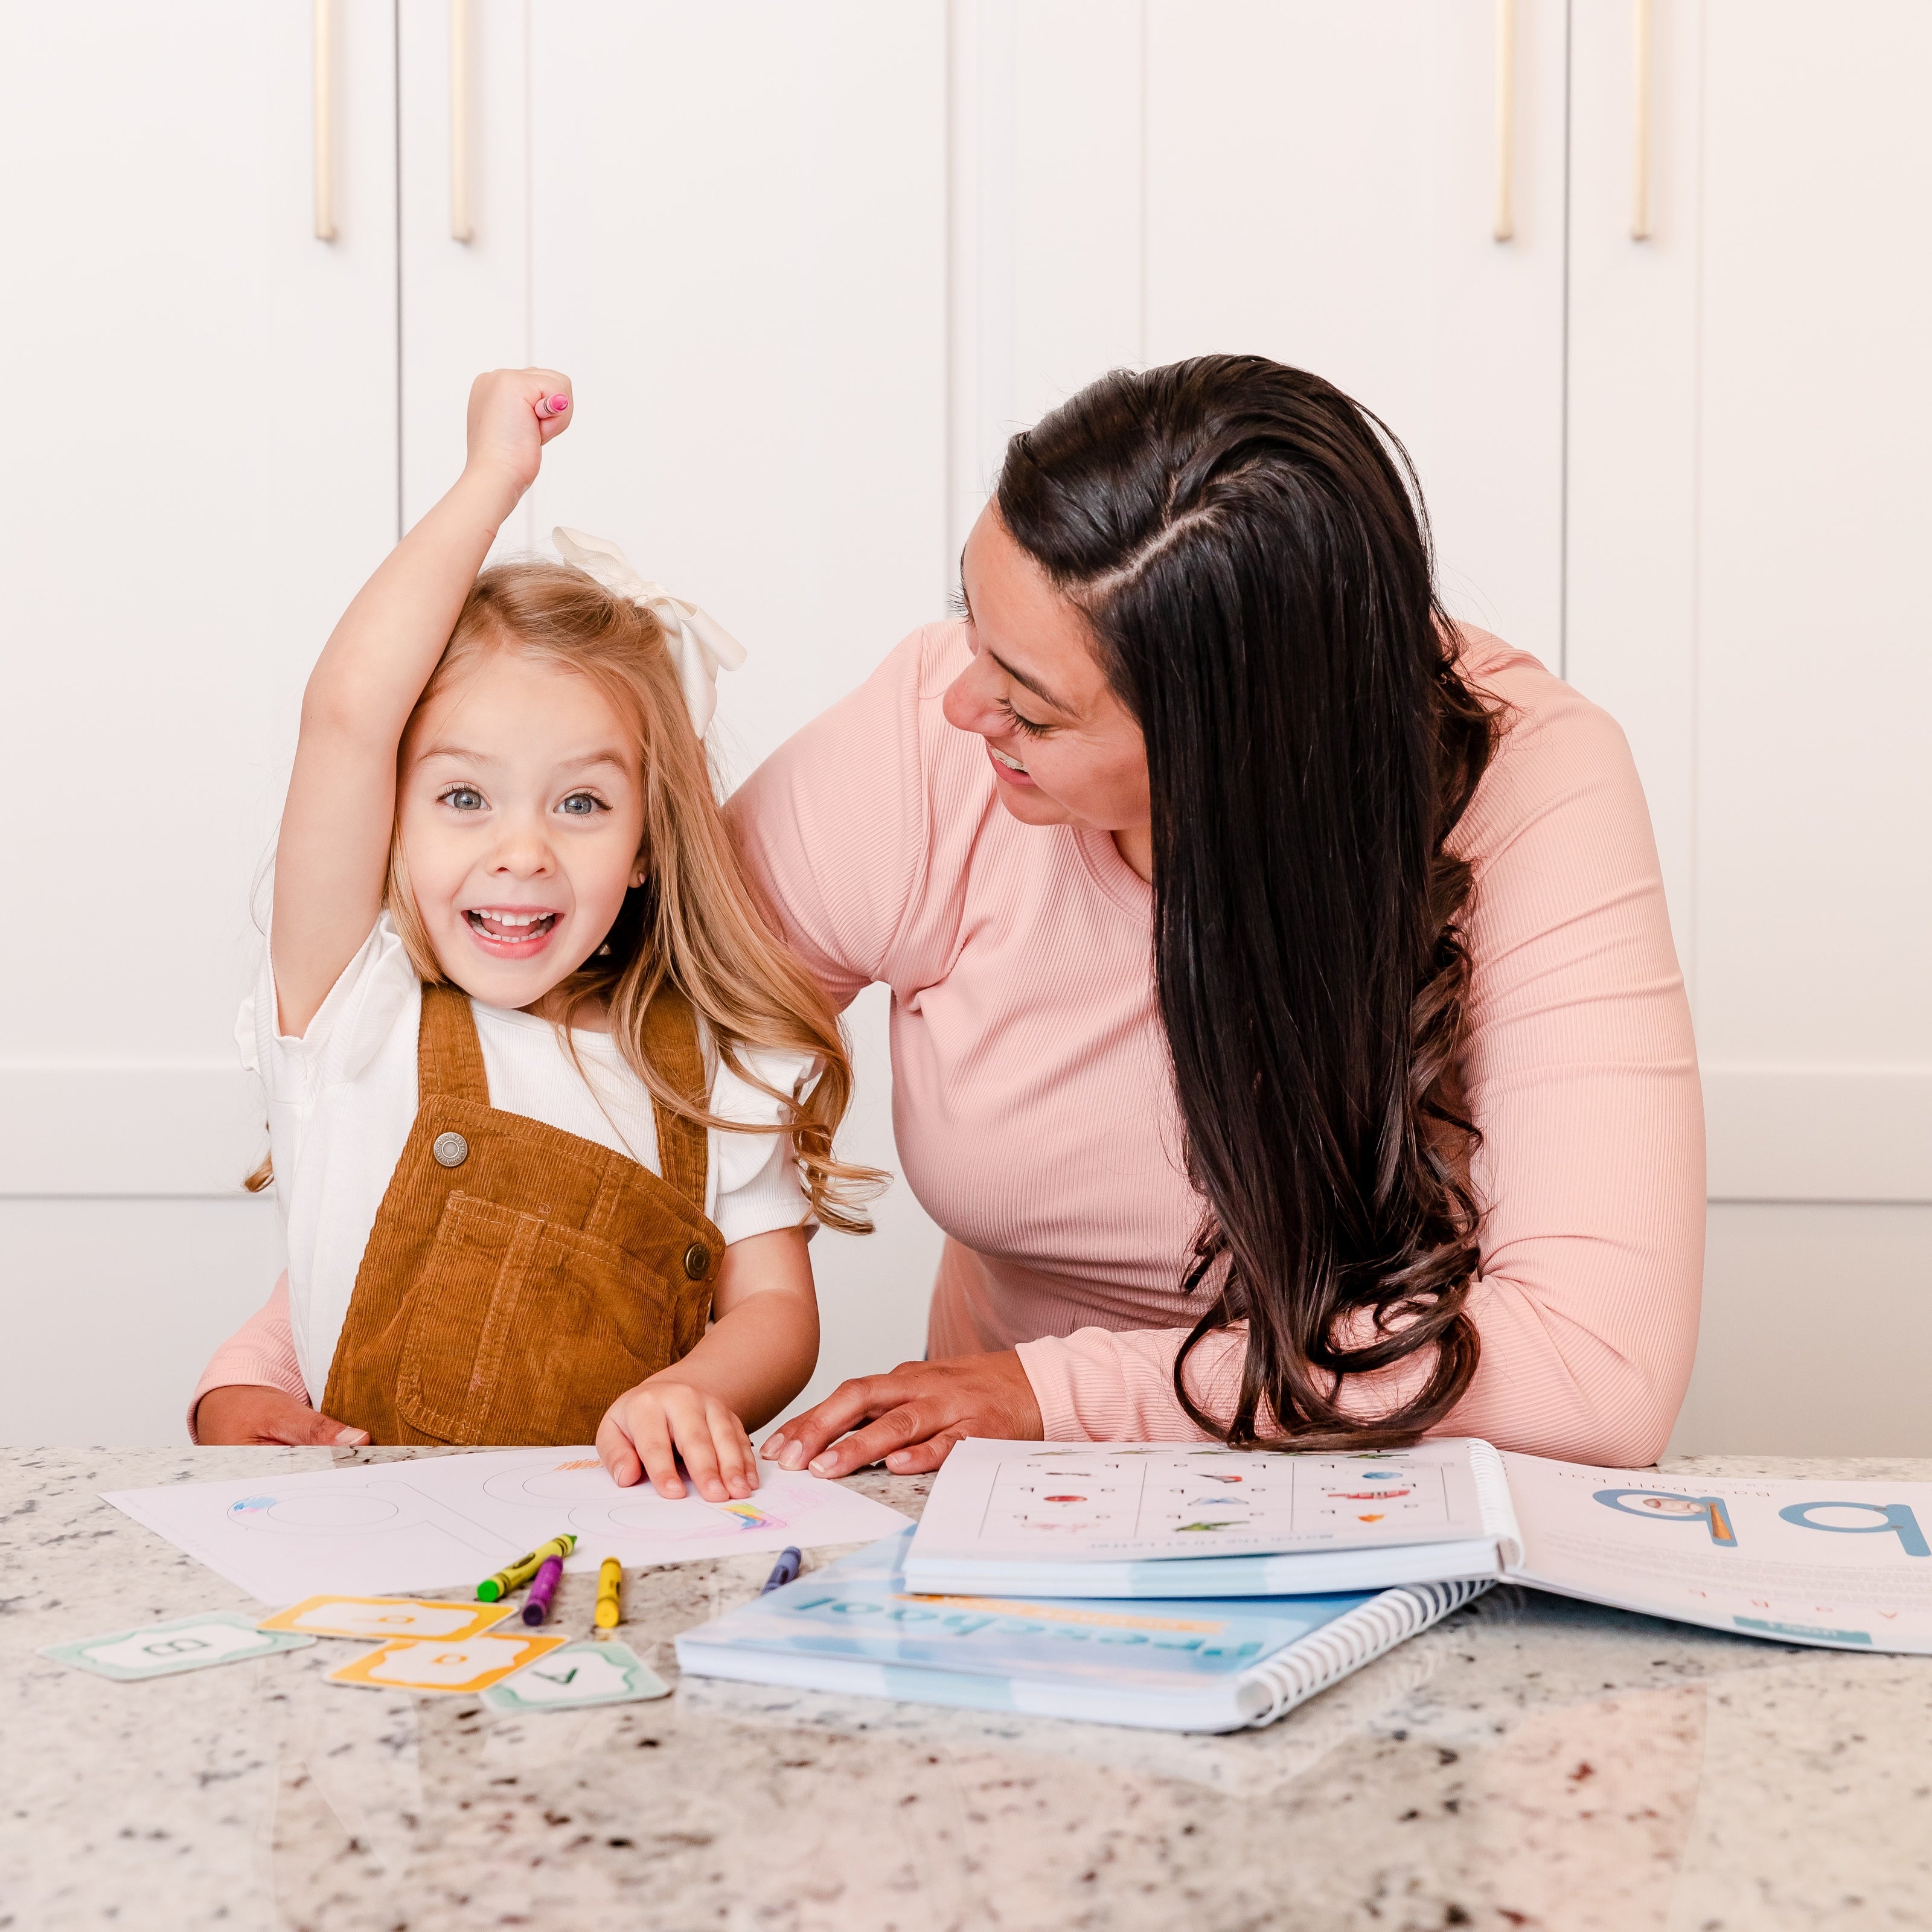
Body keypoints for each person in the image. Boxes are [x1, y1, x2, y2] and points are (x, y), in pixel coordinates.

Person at [748, 355, 1704, 1480]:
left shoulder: (1536, 781)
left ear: (1231, 761)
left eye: (1034, 708)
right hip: (999, 1489)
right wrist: (739, 1333)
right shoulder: (932, 740)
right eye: (972, 620)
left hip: (1372, 1488)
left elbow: (1597, 1373)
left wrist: (1061, 1394)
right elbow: (648, 1027)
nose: (963, 705)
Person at [191, 369, 874, 1501]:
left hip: (617, 1564)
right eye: (464, 799)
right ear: (389, 825)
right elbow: (349, 713)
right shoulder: (349, 1012)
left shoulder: (714, 1065)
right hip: (367, 1557)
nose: (523, 852)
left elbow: (775, 1311)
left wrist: (699, 1387)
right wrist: (490, 481)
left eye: (582, 803)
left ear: (651, 839)